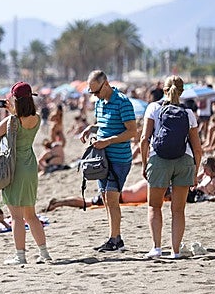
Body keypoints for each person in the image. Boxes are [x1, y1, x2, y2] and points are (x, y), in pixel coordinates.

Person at [0, 81, 52, 265]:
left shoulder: (11, 121)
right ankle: (44, 253)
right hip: (30, 165)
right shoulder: (36, 118)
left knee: (16, 216)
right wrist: (12, 110)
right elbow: (22, 123)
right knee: (31, 214)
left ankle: (20, 256)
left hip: (15, 167)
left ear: (15, 100)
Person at [140, 75, 202, 259]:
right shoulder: (188, 113)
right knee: (178, 210)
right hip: (184, 161)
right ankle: (175, 251)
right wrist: (195, 172)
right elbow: (197, 148)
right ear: (182, 92)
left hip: (159, 160)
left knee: (154, 206)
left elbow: (144, 140)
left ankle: (157, 248)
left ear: (164, 90)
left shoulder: (153, 108)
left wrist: (145, 164)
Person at [79, 70, 137, 252]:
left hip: (119, 158)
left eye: (96, 91)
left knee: (112, 197)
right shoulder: (100, 102)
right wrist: (91, 128)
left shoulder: (122, 102)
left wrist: (108, 141)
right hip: (101, 159)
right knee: (105, 197)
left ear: (106, 84)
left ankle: (115, 239)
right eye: (91, 92)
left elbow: (132, 131)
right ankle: (114, 237)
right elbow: (104, 125)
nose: (94, 95)